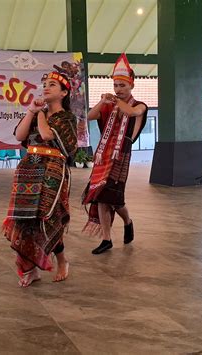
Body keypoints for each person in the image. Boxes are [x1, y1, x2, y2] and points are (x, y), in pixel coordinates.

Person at [3, 72, 77, 287]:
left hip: (52, 170)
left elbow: (46, 135)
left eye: (52, 85)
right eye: (44, 84)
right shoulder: (37, 113)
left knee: (49, 218)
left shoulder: (66, 117)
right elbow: (19, 135)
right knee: (25, 220)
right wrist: (31, 111)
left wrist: (40, 113)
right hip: (29, 169)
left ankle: (62, 261)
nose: (46, 87)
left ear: (64, 92)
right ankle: (31, 269)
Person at [82, 53, 148, 254]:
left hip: (121, 155)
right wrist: (103, 102)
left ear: (131, 86)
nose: (118, 90)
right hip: (103, 155)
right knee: (101, 195)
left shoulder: (140, 105)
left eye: (122, 86)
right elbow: (89, 117)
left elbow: (132, 113)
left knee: (115, 198)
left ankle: (127, 221)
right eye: (116, 86)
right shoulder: (109, 105)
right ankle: (106, 239)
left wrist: (116, 102)